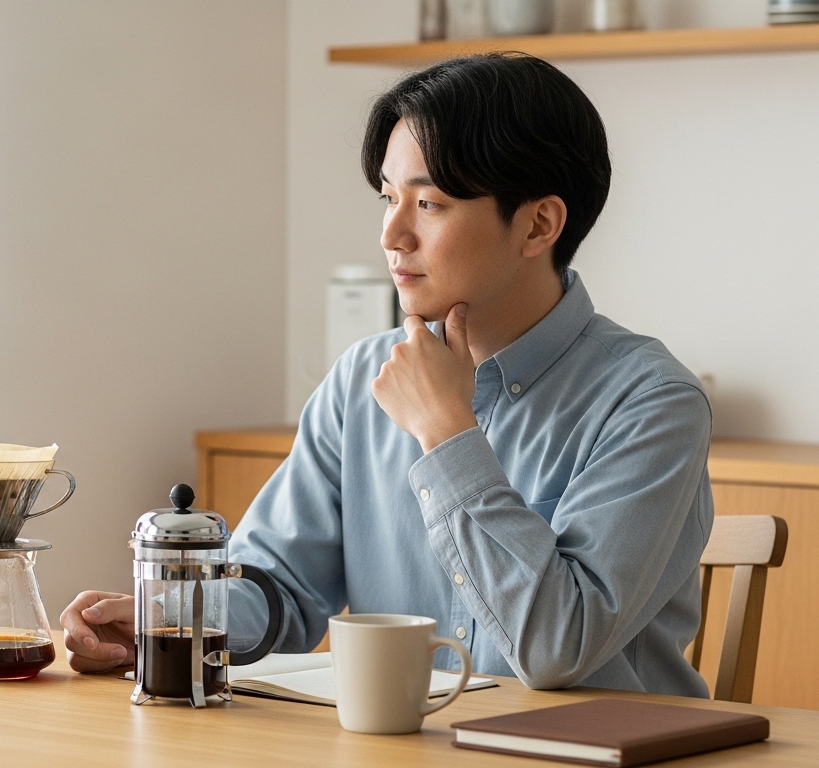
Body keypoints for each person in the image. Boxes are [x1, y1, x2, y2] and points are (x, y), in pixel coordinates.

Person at [61, 53, 715, 698]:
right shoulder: (361, 382)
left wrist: (447, 433)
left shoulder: (651, 402)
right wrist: (174, 623)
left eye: (428, 203)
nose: (392, 234)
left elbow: (556, 648)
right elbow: (282, 585)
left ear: (538, 224)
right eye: (387, 197)